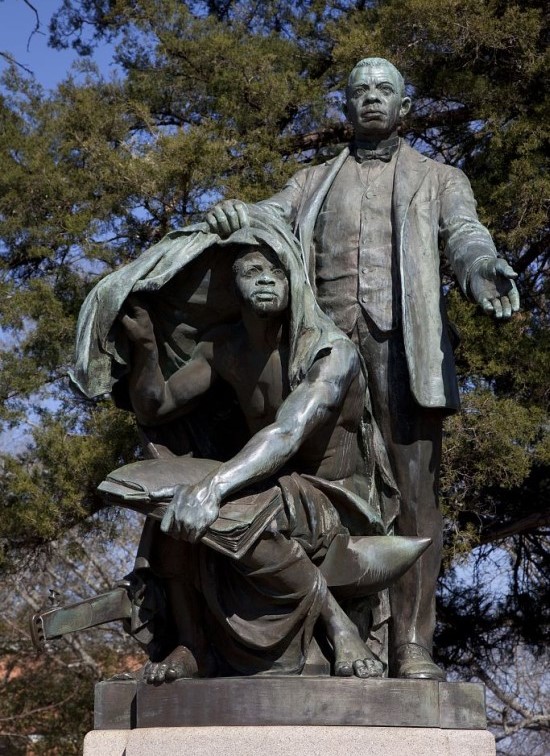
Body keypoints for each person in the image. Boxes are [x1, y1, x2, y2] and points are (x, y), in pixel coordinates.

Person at [204, 57, 520, 680]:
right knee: (312, 488)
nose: (373, 98)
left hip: (405, 351)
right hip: (323, 351)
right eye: (361, 90)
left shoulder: (439, 177)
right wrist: (234, 213)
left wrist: (481, 269)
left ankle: (412, 645)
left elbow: (465, 235)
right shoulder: (310, 181)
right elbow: (262, 218)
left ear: (405, 107)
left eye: (385, 90)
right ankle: (319, 642)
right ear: (345, 106)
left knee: (414, 497)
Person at [119, 238, 385, 681]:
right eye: (251, 271)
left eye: (276, 272)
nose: (265, 279)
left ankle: (337, 624)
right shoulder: (225, 349)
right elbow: (155, 406)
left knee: (230, 506)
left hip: (334, 498)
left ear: (293, 281)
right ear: (231, 286)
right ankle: (193, 645)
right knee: (168, 505)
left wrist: (215, 486)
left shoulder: (331, 353)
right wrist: (146, 346)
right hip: (269, 484)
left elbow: (288, 431)